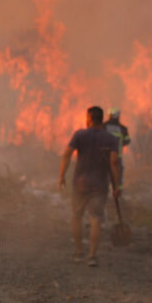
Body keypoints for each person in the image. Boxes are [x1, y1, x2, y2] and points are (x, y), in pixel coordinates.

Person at [58, 106, 120, 267]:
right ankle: (92, 256)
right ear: (102, 119)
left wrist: (62, 176)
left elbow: (67, 154)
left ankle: (79, 253)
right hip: (100, 185)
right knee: (96, 219)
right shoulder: (111, 138)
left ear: (90, 119)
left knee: (76, 216)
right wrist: (117, 186)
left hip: (80, 184)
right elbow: (114, 163)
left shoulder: (79, 135)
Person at [103, 107, 130, 192]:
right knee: (118, 174)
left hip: (105, 155)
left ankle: (105, 192)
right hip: (117, 155)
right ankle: (118, 191)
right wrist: (120, 145)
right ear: (118, 116)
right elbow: (127, 141)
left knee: (105, 174)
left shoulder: (104, 126)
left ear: (109, 116)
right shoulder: (123, 128)